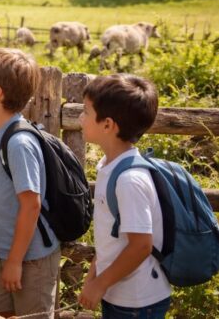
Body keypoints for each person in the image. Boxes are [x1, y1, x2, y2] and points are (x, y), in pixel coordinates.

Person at [0, 48, 60, 317]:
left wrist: (15, 261)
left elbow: (31, 205)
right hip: (1, 250)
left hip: (29, 259)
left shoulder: (19, 143)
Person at [78, 74, 169, 318]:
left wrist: (100, 283)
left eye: (86, 112)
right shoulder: (109, 165)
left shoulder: (129, 180)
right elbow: (112, 236)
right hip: (119, 293)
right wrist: (93, 277)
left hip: (137, 302)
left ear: (107, 125)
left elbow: (140, 246)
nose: (81, 118)